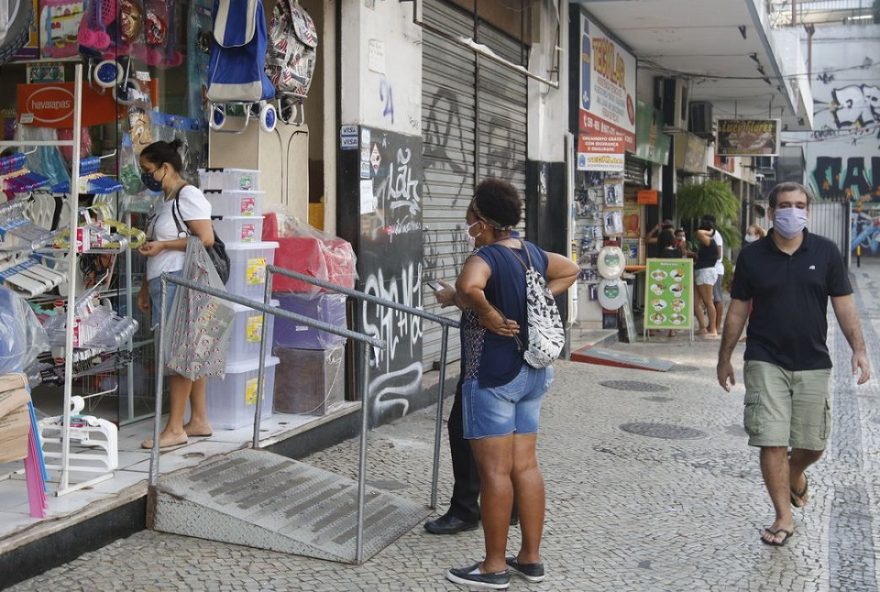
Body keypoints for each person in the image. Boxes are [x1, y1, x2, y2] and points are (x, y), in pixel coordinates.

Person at [716, 181, 871, 547]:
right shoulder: (752, 256)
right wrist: (724, 358)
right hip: (765, 358)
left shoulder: (827, 252)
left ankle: (795, 471)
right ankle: (783, 516)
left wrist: (860, 350)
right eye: (784, 205)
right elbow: (737, 309)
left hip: (813, 361)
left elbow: (844, 305)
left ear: (808, 211)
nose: (792, 211)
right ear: (771, 212)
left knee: (814, 442)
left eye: (799, 205)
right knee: (771, 440)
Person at [443, 178, 578, 590]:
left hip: (493, 375)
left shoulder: (484, 255)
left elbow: (470, 285)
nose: (469, 224)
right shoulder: (532, 252)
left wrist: (486, 313)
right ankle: (531, 559)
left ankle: (494, 566)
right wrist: (532, 299)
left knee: (495, 473)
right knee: (526, 466)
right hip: (533, 374)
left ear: (482, 220)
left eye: (471, 216)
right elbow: (570, 269)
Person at [137, 140, 215, 449]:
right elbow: (153, 246)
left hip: (181, 281)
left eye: (147, 170)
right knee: (187, 351)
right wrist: (145, 285)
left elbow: (205, 238)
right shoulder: (165, 201)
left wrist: (164, 246)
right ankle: (198, 421)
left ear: (165, 168)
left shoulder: (188, 195)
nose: (145, 176)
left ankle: (174, 429)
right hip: (162, 281)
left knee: (178, 354)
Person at [693, 220, 719, 337]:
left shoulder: (709, 240)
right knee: (696, 302)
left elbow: (699, 233)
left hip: (706, 272)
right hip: (701, 271)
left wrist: (710, 232)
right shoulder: (706, 244)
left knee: (708, 301)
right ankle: (702, 327)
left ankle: (713, 329)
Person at [702, 214, 725, 333]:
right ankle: (712, 324)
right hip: (712, 268)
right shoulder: (709, 235)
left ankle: (717, 325)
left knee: (717, 298)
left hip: (715, 269)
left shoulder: (716, 235)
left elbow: (719, 254)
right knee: (712, 298)